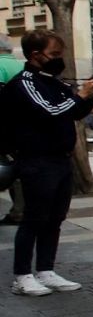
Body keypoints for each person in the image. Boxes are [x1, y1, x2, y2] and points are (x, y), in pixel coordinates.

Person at [1, 30, 93, 295]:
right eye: (55, 54)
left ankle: (46, 269)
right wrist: (79, 96)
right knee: (33, 218)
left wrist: (90, 96)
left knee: (55, 218)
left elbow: (74, 111)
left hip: (60, 160)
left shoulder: (53, 82)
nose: (59, 59)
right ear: (36, 55)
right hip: (36, 161)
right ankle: (22, 275)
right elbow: (51, 112)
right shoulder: (25, 83)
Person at [1, 34, 29, 225]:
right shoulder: (20, 65)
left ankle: (18, 211)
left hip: (5, 126)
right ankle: (20, 209)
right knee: (18, 169)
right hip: (24, 126)